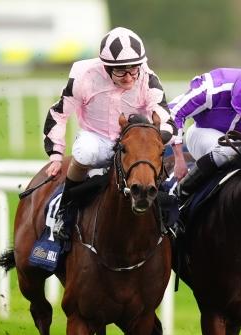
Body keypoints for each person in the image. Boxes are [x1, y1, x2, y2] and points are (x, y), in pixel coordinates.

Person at [43, 26, 177, 240]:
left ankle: (169, 223)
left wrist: (153, 140)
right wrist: (56, 156)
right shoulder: (84, 76)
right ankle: (65, 211)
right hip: (96, 139)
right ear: (106, 67)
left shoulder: (148, 77)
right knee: (84, 152)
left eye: (133, 70)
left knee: (161, 165)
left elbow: (165, 118)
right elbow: (59, 114)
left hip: (134, 143)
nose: (129, 77)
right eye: (121, 71)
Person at [168, 68, 241, 199]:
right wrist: (179, 159)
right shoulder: (212, 88)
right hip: (202, 133)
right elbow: (174, 112)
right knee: (230, 150)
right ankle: (182, 190)